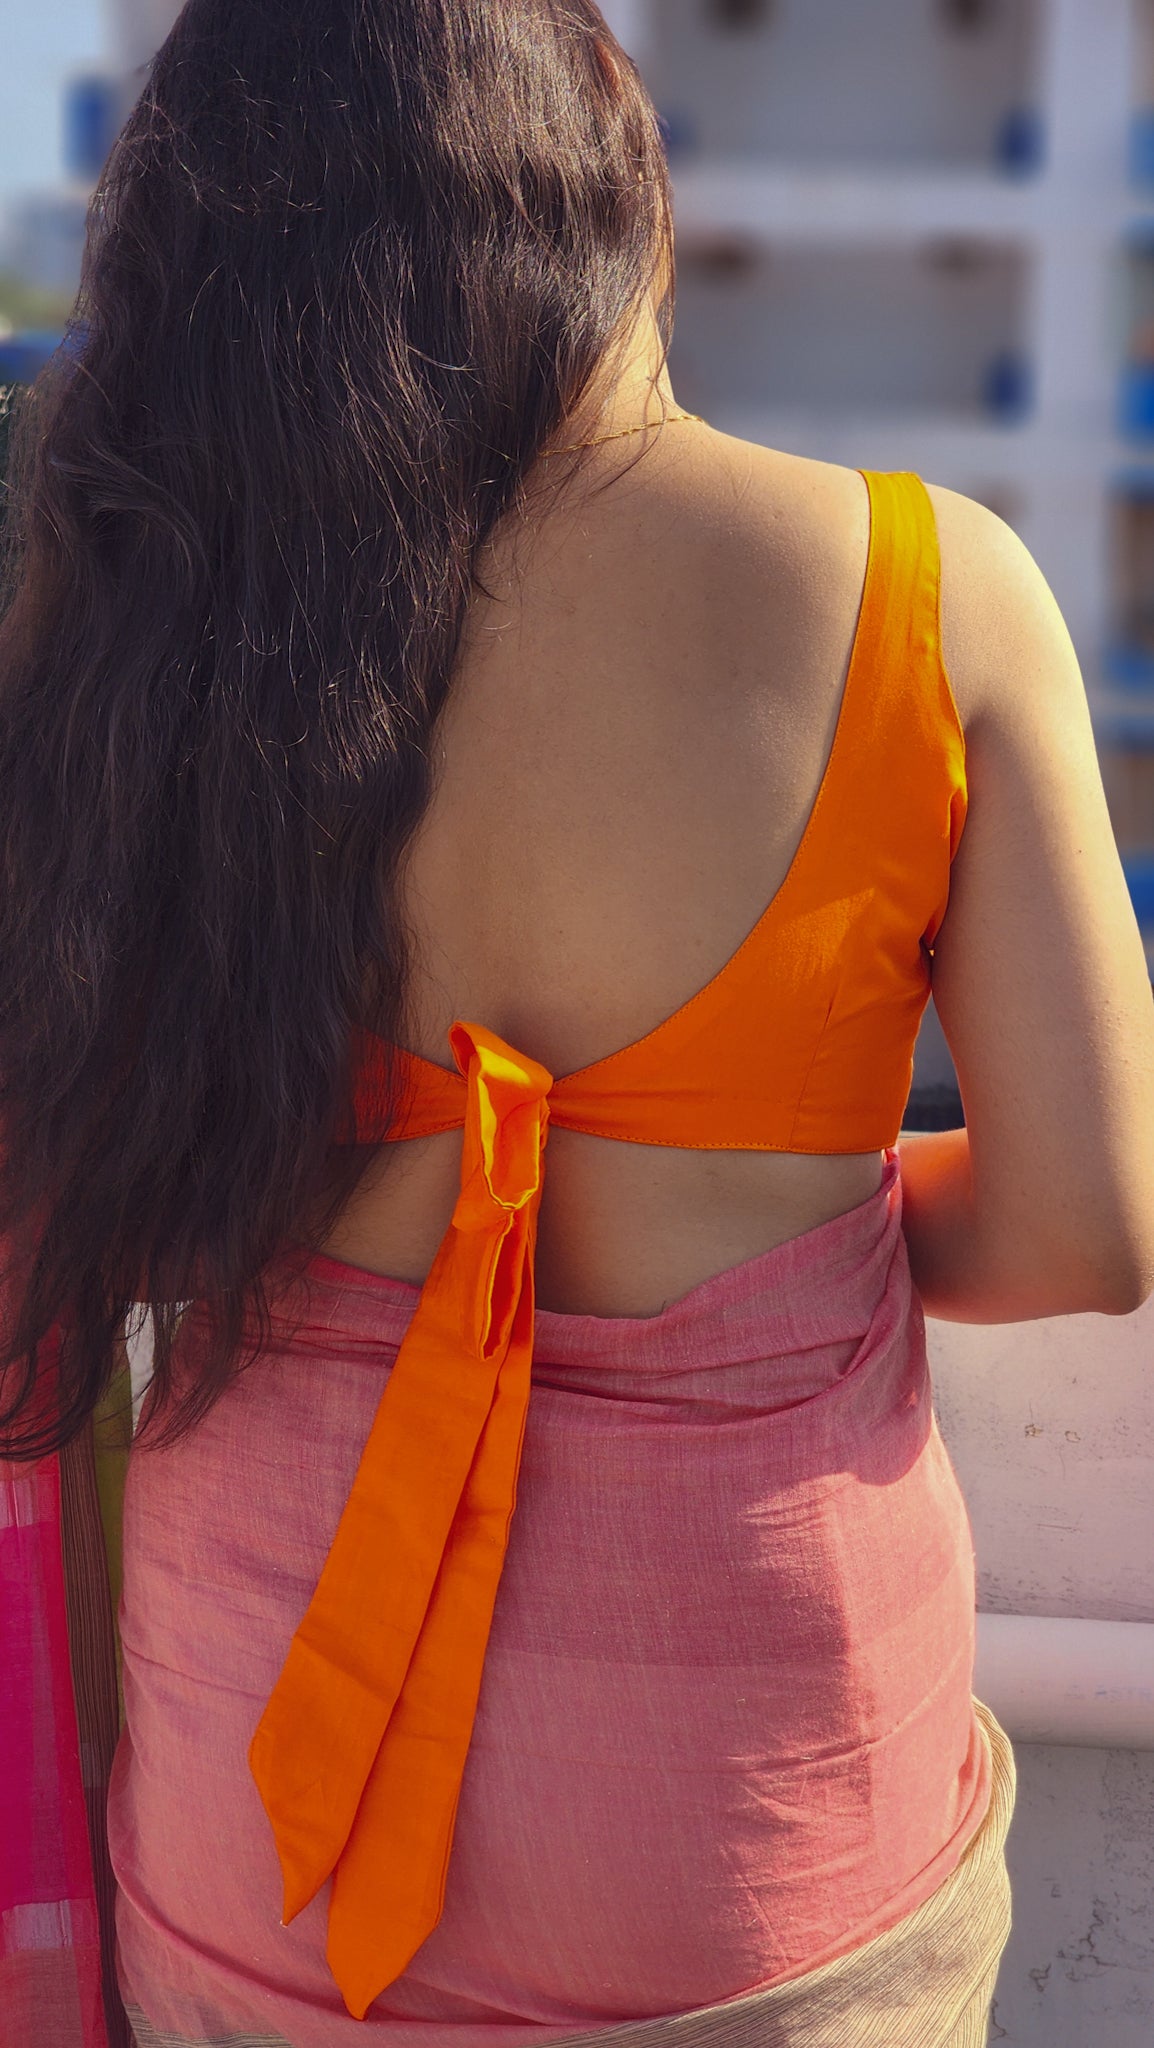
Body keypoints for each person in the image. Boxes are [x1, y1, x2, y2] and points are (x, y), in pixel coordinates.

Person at [2, 5, 1153, 2047]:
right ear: (611, 204)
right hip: (762, 1862)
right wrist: (773, 1204)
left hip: (252, 1844)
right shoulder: (928, 592)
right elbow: (1090, 1225)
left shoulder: (129, 635)